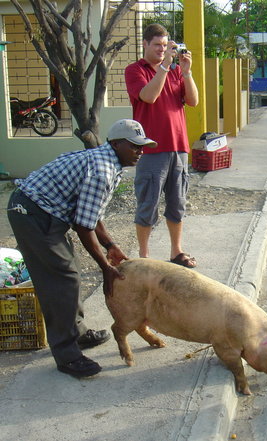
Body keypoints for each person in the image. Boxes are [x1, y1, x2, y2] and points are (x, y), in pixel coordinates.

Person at [6, 119, 157, 378]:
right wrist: (105, 268)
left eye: (142, 146)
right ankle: (67, 355)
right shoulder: (102, 170)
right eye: (134, 146)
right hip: (31, 213)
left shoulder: (110, 162)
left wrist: (110, 245)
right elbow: (83, 226)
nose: (140, 152)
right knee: (62, 280)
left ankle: (77, 332)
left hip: (45, 212)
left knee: (71, 270)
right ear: (116, 144)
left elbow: (91, 213)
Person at [125, 23, 199, 268]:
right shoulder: (135, 70)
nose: (162, 50)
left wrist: (186, 72)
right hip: (151, 149)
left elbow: (193, 101)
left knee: (177, 203)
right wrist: (165, 66)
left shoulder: (176, 71)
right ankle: (144, 257)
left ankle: (176, 251)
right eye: (157, 45)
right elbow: (149, 96)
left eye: (166, 46)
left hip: (178, 147)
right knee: (148, 203)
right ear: (145, 44)